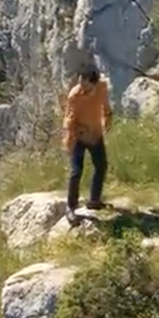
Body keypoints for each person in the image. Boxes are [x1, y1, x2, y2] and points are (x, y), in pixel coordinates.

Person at [61, 64, 112, 213]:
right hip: (79, 136)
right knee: (76, 171)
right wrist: (69, 140)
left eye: (85, 80)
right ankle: (71, 206)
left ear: (93, 82)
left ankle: (94, 200)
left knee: (101, 166)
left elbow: (105, 104)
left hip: (95, 133)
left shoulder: (101, 87)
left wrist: (108, 116)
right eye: (80, 79)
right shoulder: (75, 96)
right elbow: (69, 119)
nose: (81, 83)